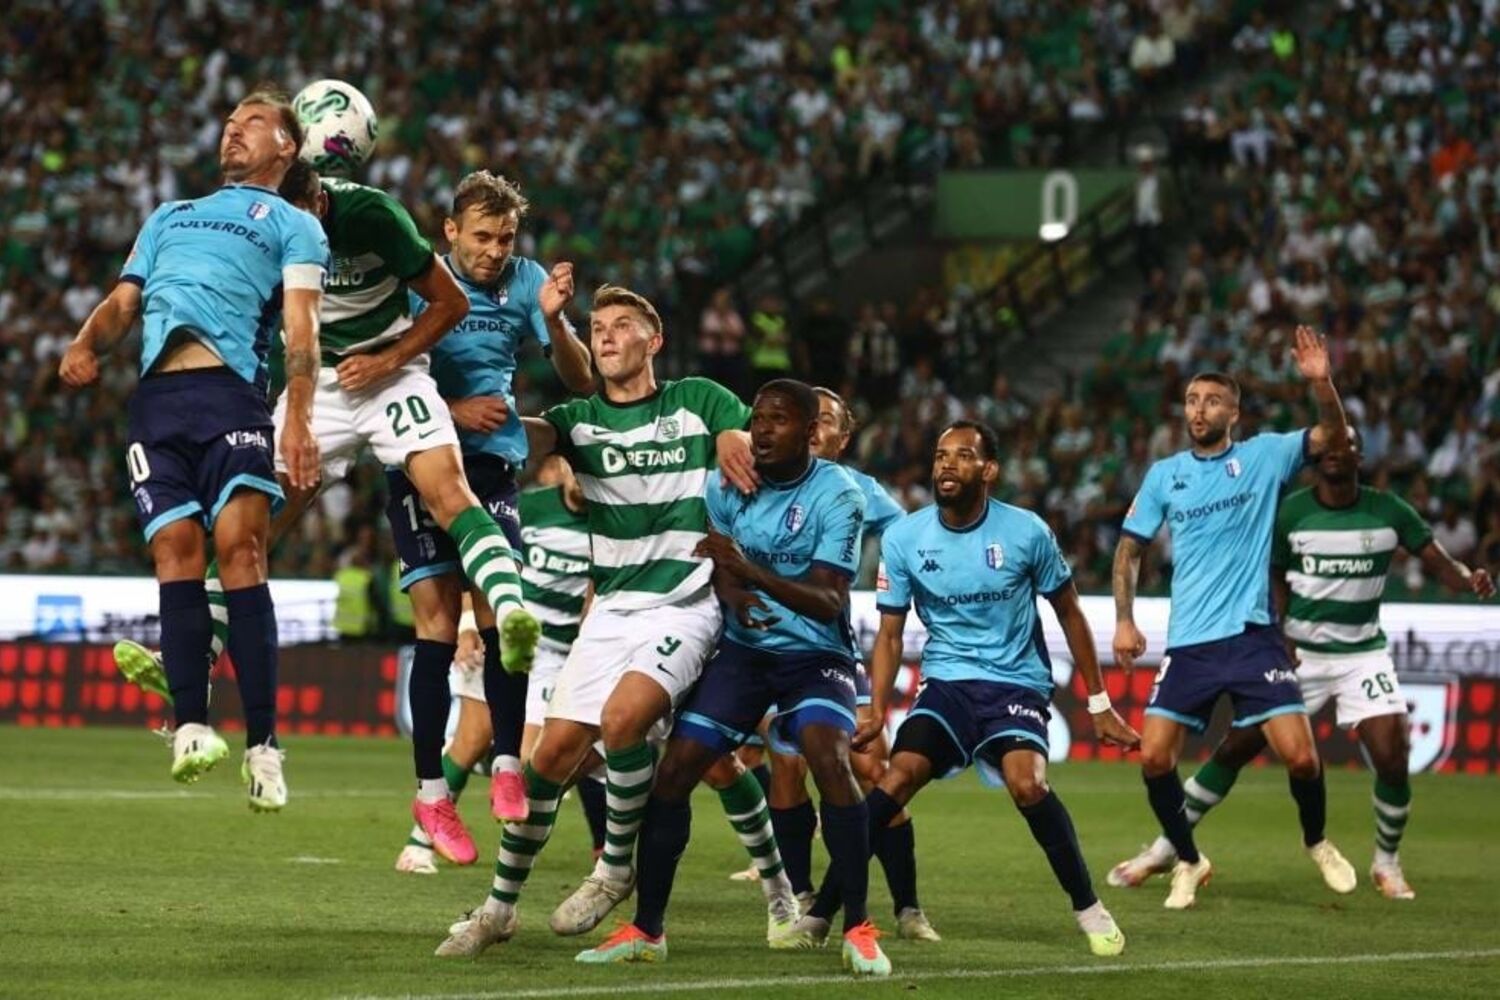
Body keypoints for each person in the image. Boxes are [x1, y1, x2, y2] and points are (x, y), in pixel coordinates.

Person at [106, 161, 541, 823]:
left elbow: (449, 304)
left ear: (320, 200)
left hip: (391, 376)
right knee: (249, 530)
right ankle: (193, 659)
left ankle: (509, 612)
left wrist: (388, 359)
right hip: (320, 390)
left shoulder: (373, 216)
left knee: (448, 491)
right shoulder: (266, 236)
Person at [435, 284, 758, 958]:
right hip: (610, 608)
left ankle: (613, 868)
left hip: (685, 602)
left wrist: (736, 440)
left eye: (622, 324)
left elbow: (738, 437)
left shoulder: (699, 400)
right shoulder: (577, 419)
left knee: (621, 722)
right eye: (597, 327)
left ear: (654, 340)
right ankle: (498, 908)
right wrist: (462, 412)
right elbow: (529, 437)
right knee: (549, 759)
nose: (606, 335)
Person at [59, 90, 329, 810]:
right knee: (175, 552)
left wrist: (299, 419)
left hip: (231, 396)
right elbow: (122, 304)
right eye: (230, 122)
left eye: (253, 122)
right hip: (157, 401)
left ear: (287, 146)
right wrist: (86, 344)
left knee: (242, 550)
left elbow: (303, 333)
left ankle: (264, 747)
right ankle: (190, 728)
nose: (234, 130)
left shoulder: (295, 225)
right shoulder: (168, 215)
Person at [572, 379, 890, 975]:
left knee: (828, 756)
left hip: (815, 657)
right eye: (758, 418)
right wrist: (733, 592)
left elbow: (828, 599)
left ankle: (859, 927)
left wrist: (752, 574)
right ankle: (647, 929)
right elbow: (718, 558)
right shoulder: (727, 483)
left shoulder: (838, 494)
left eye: (778, 420)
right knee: (675, 771)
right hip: (745, 656)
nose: (762, 430)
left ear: (809, 432)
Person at [788, 420, 1138, 957]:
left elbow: (1069, 612)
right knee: (894, 780)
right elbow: (890, 633)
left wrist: (1099, 703)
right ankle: (821, 913)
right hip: (947, 684)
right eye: (940, 455)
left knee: (1028, 785)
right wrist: (876, 708)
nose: (947, 464)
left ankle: (1089, 908)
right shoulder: (904, 538)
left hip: (1015, 683)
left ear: (989, 469)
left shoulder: (1026, 532)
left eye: (962, 455)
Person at [1108, 428, 1495, 900]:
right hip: (1297, 651)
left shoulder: (1389, 510)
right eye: (1327, 446)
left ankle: (1386, 863)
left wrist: (1468, 579)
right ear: (1315, 457)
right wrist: (1281, 632)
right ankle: (1166, 848)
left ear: (1360, 456)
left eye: (1346, 445)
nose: (1335, 452)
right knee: (1234, 750)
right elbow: (1268, 574)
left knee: (1392, 754)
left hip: (1361, 654)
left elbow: (1438, 562)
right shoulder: (1290, 512)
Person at [379, 170, 593, 862]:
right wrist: (454, 409)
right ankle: (432, 795)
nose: (496, 250)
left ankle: (505, 765)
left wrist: (554, 320)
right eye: (482, 237)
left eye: (506, 238)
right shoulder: (417, 281)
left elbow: (582, 379)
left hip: (492, 466)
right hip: (418, 461)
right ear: (450, 232)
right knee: (438, 628)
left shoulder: (527, 280)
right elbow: (382, 373)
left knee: (503, 613)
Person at [1111, 326, 1357, 910]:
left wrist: (1321, 382)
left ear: (1234, 413)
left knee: (1302, 757)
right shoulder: (1165, 474)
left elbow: (1336, 438)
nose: (1200, 410)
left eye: (1213, 401)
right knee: (1154, 758)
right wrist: (1124, 619)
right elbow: (1129, 550)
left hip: (1251, 638)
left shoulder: (1265, 456)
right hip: (1190, 643)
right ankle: (1188, 859)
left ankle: (1317, 841)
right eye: (1192, 401)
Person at [750, 387, 938, 941]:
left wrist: (889, 587)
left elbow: (906, 540)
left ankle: (907, 906)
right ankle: (802, 898)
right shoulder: (759, 476)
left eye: (827, 421)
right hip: (761, 646)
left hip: (830, 646)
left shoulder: (859, 490)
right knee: (785, 767)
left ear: (842, 437)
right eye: (810, 418)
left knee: (872, 768)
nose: (815, 429)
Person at [397, 455, 605, 875]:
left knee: (555, 753)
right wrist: (468, 623)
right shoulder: (530, 505)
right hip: (506, 632)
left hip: (562, 652)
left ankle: (597, 850)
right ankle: (418, 844)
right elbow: (470, 553)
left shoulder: (609, 520)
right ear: (561, 465)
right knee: (472, 737)